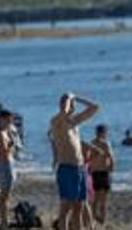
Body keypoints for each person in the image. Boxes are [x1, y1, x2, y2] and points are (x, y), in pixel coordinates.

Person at [48, 93, 101, 230]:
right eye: (71, 104)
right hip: (67, 168)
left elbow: (95, 107)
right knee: (65, 208)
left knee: (79, 207)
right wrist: (68, 99)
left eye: (74, 105)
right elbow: (63, 111)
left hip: (80, 169)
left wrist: (77, 97)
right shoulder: (57, 121)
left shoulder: (74, 122)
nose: (73, 107)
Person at [0, 110, 18, 229]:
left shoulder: (6, 132)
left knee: (7, 195)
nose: (10, 122)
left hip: (9, 164)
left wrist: (12, 141)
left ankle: (5, 221)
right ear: (2, 119)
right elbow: (3, 153)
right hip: (4, 165)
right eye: (8, 120)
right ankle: (4, 222)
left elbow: (12, 152)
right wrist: (12, 145)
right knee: (4, 195)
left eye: (10, 120)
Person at [89, 124, 114, 226]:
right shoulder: (105, 144)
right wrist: (111, 170)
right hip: (103, 173)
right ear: (104, 133)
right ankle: (102, 221)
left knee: (94, 199)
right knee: (103, 201)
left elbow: (88, 159)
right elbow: (111, 159)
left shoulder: (91, 143)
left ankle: (94, 219)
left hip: (94, 173)